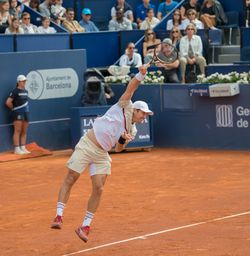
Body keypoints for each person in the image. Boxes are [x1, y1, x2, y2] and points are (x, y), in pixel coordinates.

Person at [51, 65, 153, 243]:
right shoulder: (125, 105)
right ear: (135, 110)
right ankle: (59, 216)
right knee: (71, 177)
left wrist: (121, 140)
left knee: (99, 188)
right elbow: (132, 87)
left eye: (146, 116)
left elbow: (119, 149)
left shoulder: (133, 130)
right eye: (143, 114)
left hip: (102, 153)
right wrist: (141, 74)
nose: (144, 117)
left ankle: (85, 226)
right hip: (88, 144)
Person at [5, 74, 31, 155]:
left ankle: (23, 147)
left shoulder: (26, 91)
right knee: (18, 130)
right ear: (19, 82)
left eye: (25, 81)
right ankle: (17, 149)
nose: (24, 82)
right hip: (17, 113)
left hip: (26, 113)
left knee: (24, 131)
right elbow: (8, 102)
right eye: (23, 81)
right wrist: (14, 109)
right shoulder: (15, 91)